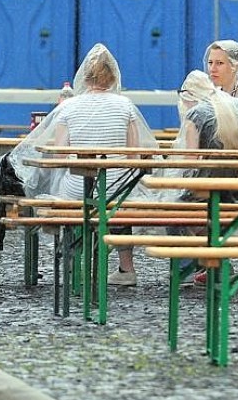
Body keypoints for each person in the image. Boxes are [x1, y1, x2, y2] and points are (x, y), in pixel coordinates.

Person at [9, 43, 158, 286]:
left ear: (85, 77)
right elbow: (134, 156)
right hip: (115, 190)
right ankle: (126, 268)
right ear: (113, 77)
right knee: (118, 201)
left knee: (69, 192)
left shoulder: (68, 107)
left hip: (77, 190)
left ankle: (71, 263)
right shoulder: (126, 106)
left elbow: (58, 157)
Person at [166, 70, 238, 284]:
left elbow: (190, 162)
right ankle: (218, 264)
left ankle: (185, 270)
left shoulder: (196, 114)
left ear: (190, 96)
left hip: (208, 194)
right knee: (214, 213)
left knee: (173, 211)